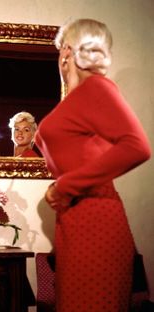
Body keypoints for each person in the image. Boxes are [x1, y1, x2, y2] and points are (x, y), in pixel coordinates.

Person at [35, 18, 151, 312]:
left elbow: (137, 146)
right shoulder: (77, 100)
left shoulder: (96, 88)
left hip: (96, 221)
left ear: (66, 52)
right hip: (74, 221)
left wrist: (64, 185)